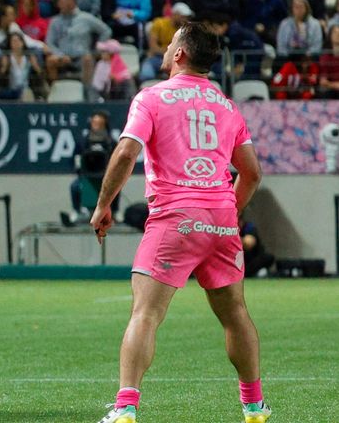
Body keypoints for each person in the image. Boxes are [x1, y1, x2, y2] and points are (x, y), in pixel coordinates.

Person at [90, 24, 270, 423]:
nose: (166, 47)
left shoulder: (152, 97)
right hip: (222, 220)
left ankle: (125, 408)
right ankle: (254, 407)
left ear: (181, 55)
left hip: (175, 217)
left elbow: (124, 154)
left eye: (171, 43)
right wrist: (226, 212)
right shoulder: (226, 105)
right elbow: (252, 173)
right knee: (236, 313)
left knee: (146, 313)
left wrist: (104, 204)